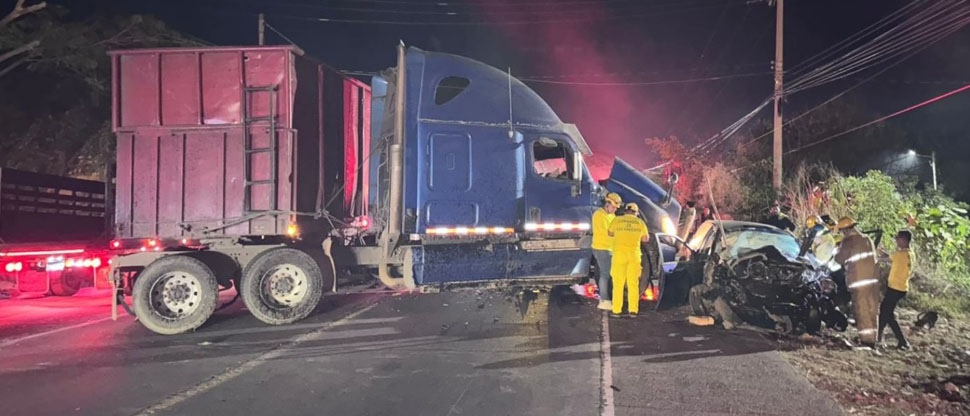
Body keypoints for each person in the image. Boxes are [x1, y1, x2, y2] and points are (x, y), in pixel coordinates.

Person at [833, 217, 880, 347]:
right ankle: (872, 338)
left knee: (862, 311)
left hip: (859, 282)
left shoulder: (848, 241)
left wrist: (837, 249)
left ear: (845, 230)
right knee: (872, 310)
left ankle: (866, 341)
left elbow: (839, 259)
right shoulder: (867, 238)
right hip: (872, 281)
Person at [608, 202, 649, 318]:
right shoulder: (640, 222)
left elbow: (610, 233)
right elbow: (645, 239)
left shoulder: (617, 220)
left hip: (619, 255)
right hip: (634, 256)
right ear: (636, 213)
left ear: (625, 211)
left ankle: (616, 310)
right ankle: (633, 311)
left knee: (618, 284)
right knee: (633, 284)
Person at [878, 230, 914, 350]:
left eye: (898, 238)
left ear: (904, 240)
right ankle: (878, 336)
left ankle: (902, 341)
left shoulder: (899, 255)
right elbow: (890, 257)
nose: (896, 240)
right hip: (902, 287)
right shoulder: (909, 254)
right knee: (884, 311)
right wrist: (879, 251)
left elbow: (884, 259)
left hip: (895, 288)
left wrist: (874, 256)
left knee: (887, 314)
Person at [592, 192, 622, 310]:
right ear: (607, 203)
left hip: (609, 248)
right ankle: (604, 300)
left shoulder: (611, 216)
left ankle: (608, 298)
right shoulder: (599, 215)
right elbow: (608, 233)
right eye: (613, 207)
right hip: (601, 248)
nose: (614, 210)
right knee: (605, 274)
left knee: (609, 274)